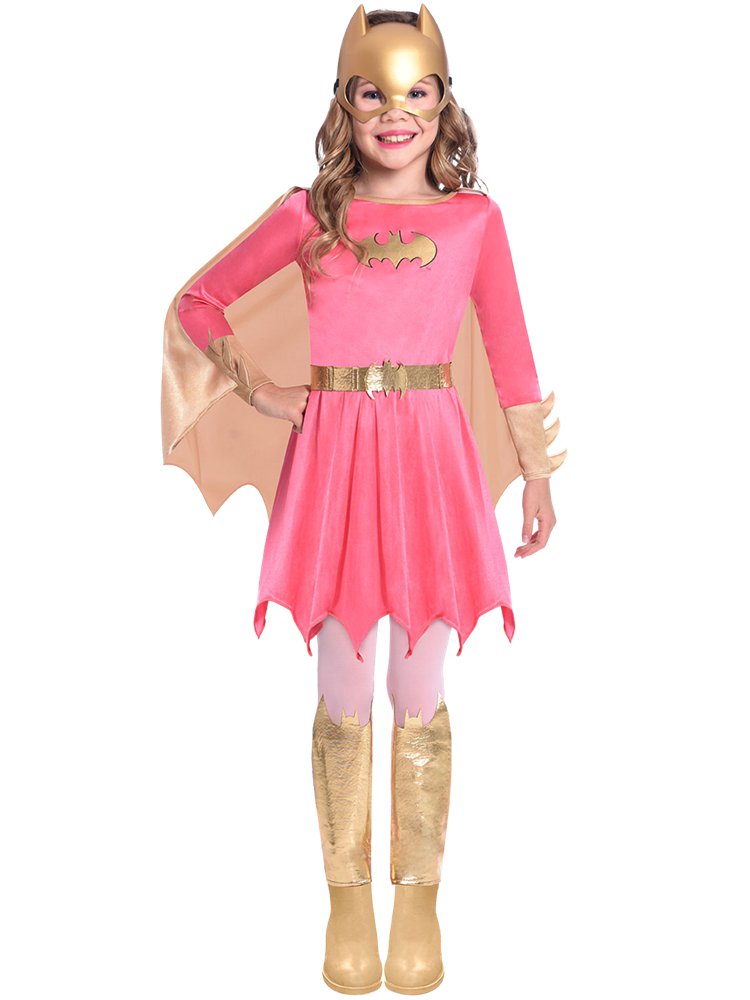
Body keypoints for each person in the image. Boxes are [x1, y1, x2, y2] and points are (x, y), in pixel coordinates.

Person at [161, 5, 566, 994]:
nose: (397, 113)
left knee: (417, 686)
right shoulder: (312, 214)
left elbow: (510, 348)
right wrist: (262, 390)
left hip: (429, 457)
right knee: (343, 687)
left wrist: (536, 470)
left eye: (417, 93)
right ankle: (346, 898)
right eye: (374, 92)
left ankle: (418, 896)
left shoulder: (474, 221)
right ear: (345, 101)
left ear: (444, 103)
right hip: (334, 454)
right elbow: (198, 301)